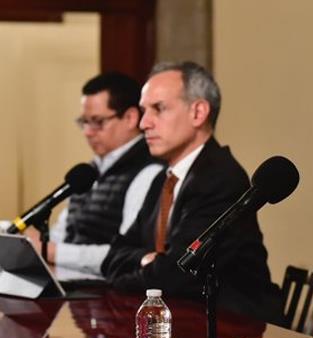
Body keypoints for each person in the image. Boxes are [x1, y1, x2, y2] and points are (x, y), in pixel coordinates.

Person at [101, 61, 283, 323]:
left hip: (234, 328)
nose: (144, 123)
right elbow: (113, 257)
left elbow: (176, 274)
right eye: (143, 111)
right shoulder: (163, 180)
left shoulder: (220, 177)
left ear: (198, 112)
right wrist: (146, 259)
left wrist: (149, 264)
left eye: (158, 109)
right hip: (180, 322)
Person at [25, 72, 162, 274]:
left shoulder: (150, 171)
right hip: (72, 287)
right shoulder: (88, 172)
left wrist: (53, 252)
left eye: (97, 121)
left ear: (131, 118)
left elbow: (126, 252)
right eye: (84, 122)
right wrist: (29, 243)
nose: (88, 132)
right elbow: (64, 232)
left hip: (111, 296)